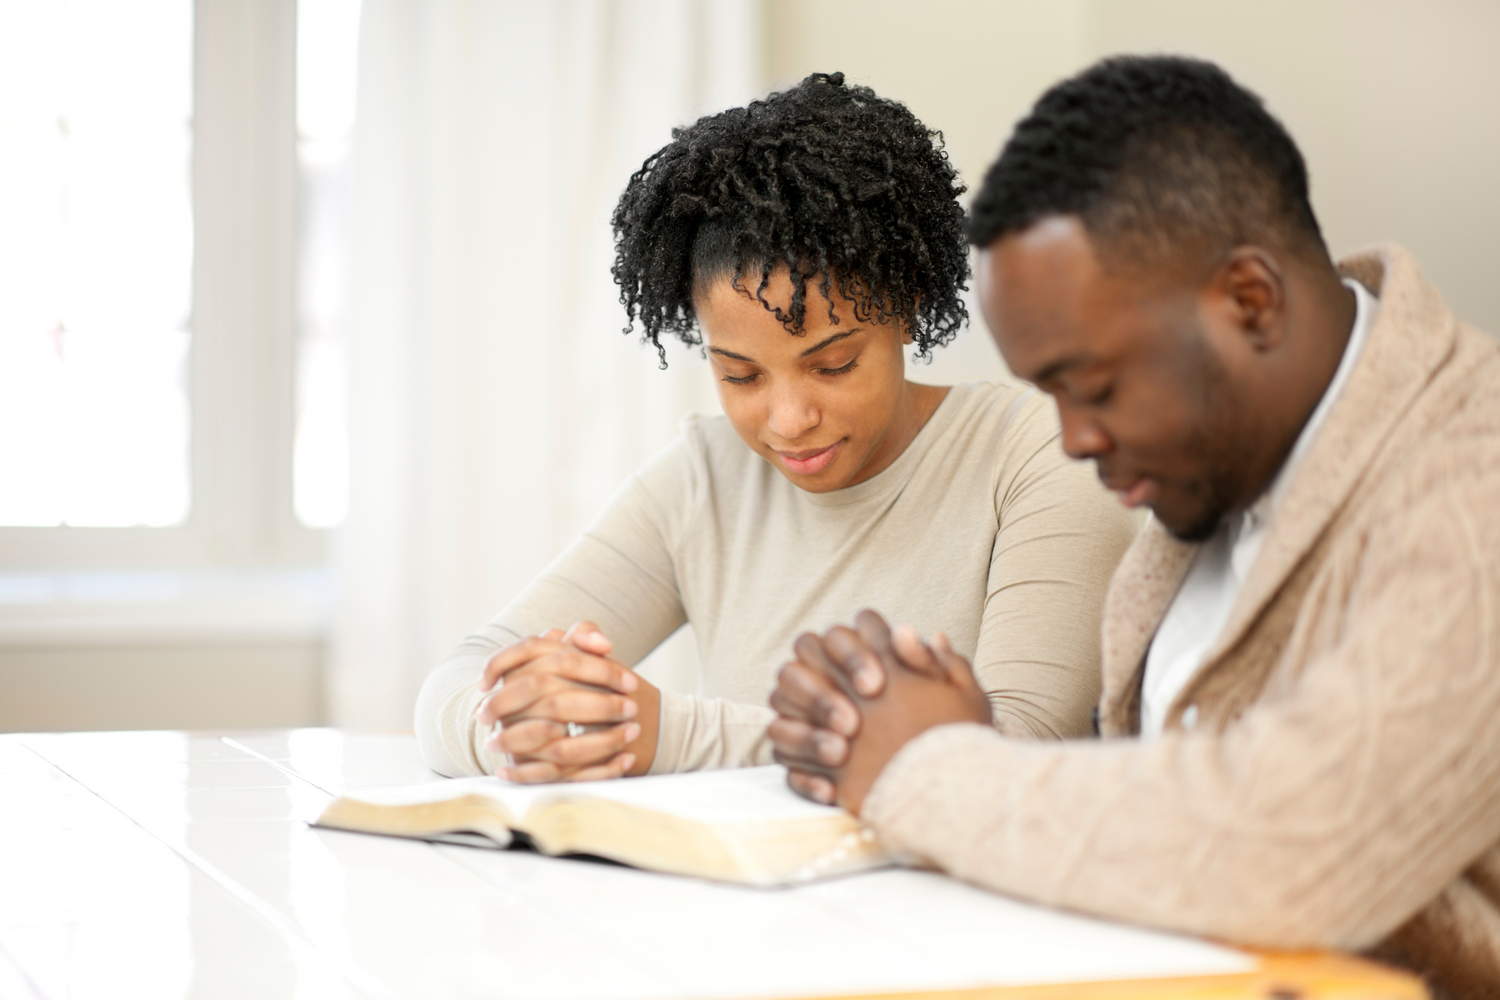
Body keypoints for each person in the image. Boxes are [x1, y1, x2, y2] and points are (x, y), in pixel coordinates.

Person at [768, 56, 1500, 998]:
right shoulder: (1214, 475)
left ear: (1250, 302)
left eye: (1098, 387)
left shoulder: (1471, 484)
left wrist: (930, 765)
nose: (1074, 439)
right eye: (1051, 394)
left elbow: (1293, 842)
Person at [411, 72, 1135, 786]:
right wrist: (521, 727)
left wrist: (672, 735)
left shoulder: (1037, 456)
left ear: (908, 305)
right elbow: (458, 680)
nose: (789, 423)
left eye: (834, 364)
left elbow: (1017, 747)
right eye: (741, 376)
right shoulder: (707, 478)